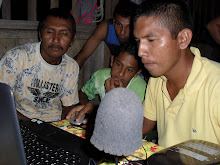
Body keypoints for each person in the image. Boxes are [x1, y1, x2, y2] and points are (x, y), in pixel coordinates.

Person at [133, 0, 220, 148]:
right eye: (138, 42)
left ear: (183, 39)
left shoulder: (216, 85)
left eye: (151, 40)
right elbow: (145, 124)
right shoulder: (157, 78)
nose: (140, 51)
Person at [0, 8, 79, 122]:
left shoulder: (71, 66)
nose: (56, 39)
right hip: (19, 122)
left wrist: (71, 118)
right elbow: (2, 102)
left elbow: (68, 106)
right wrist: (34, 126)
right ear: (40, 35)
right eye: (50, 32)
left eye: (64, 34)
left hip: (53, 125)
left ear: (72, 40)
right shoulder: (16, 58)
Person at [66, 42, 147, 123]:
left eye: (129, 70)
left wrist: (113, 97)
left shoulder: (141, 89)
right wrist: (87, 106)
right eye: (118, 65)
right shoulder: (101, 76)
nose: (121, 73)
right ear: (112, 61)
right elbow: (83, 93)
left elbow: (130, 121)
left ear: (137, 73)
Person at [74, 1, 135, 69]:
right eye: (119, 24)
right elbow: (82, 56)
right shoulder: (106, 28)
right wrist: (69, 77)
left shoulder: (139, 35)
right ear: (114, 21)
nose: (122, 32)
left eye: (128, 27)